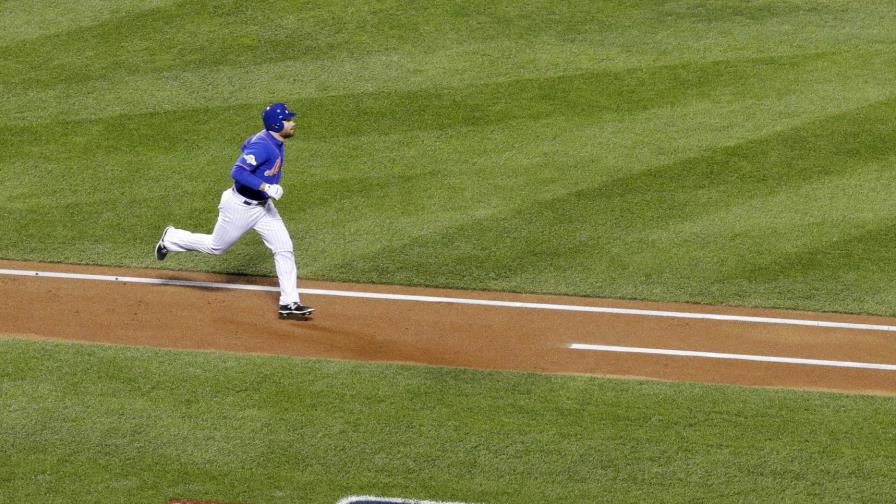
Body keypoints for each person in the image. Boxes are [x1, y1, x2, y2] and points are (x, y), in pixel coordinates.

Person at [154, 102, 314, 319]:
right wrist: (265, 186)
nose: (293, 123)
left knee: (284, 248)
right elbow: (237, 171)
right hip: (240, 206)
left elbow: (245, 145)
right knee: (215, 247)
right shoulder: (264, 145)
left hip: (263, 208)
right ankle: (171, 238)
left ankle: (289, 303)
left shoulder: (271, 138)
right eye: (288, 120)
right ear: (277, 124)